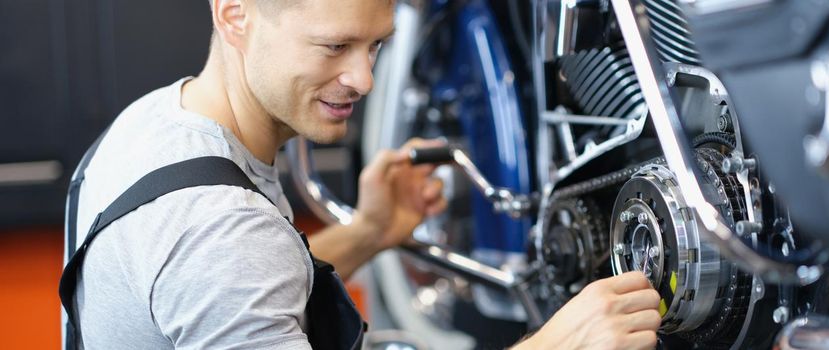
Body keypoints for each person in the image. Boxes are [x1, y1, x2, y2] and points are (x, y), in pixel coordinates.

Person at [59, 0, 661, 349]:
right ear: (235, 14)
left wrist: (370, 232)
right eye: (334, 47)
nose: (364, 80)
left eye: (374, 46)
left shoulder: (156, 120)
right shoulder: (219, 226)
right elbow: (230, 259)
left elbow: (243, 291)